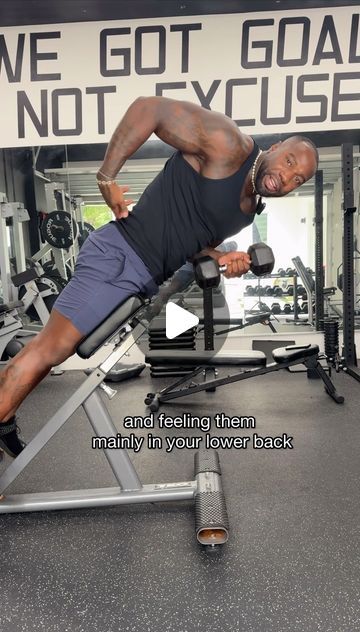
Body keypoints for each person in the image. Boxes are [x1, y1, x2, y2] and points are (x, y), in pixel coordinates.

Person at [0, 96, 318, 458]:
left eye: (298, 179)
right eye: (289, 162)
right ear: (276, 147)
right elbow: (148, 109)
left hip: (142, 275)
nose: (287, 177)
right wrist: (106, 176)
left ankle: (5, 415)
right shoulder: (229, 144)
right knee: (49, 349)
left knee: (52, 351)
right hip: (119, 256)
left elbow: (193, 247)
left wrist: (223, 257)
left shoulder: (248, 210)